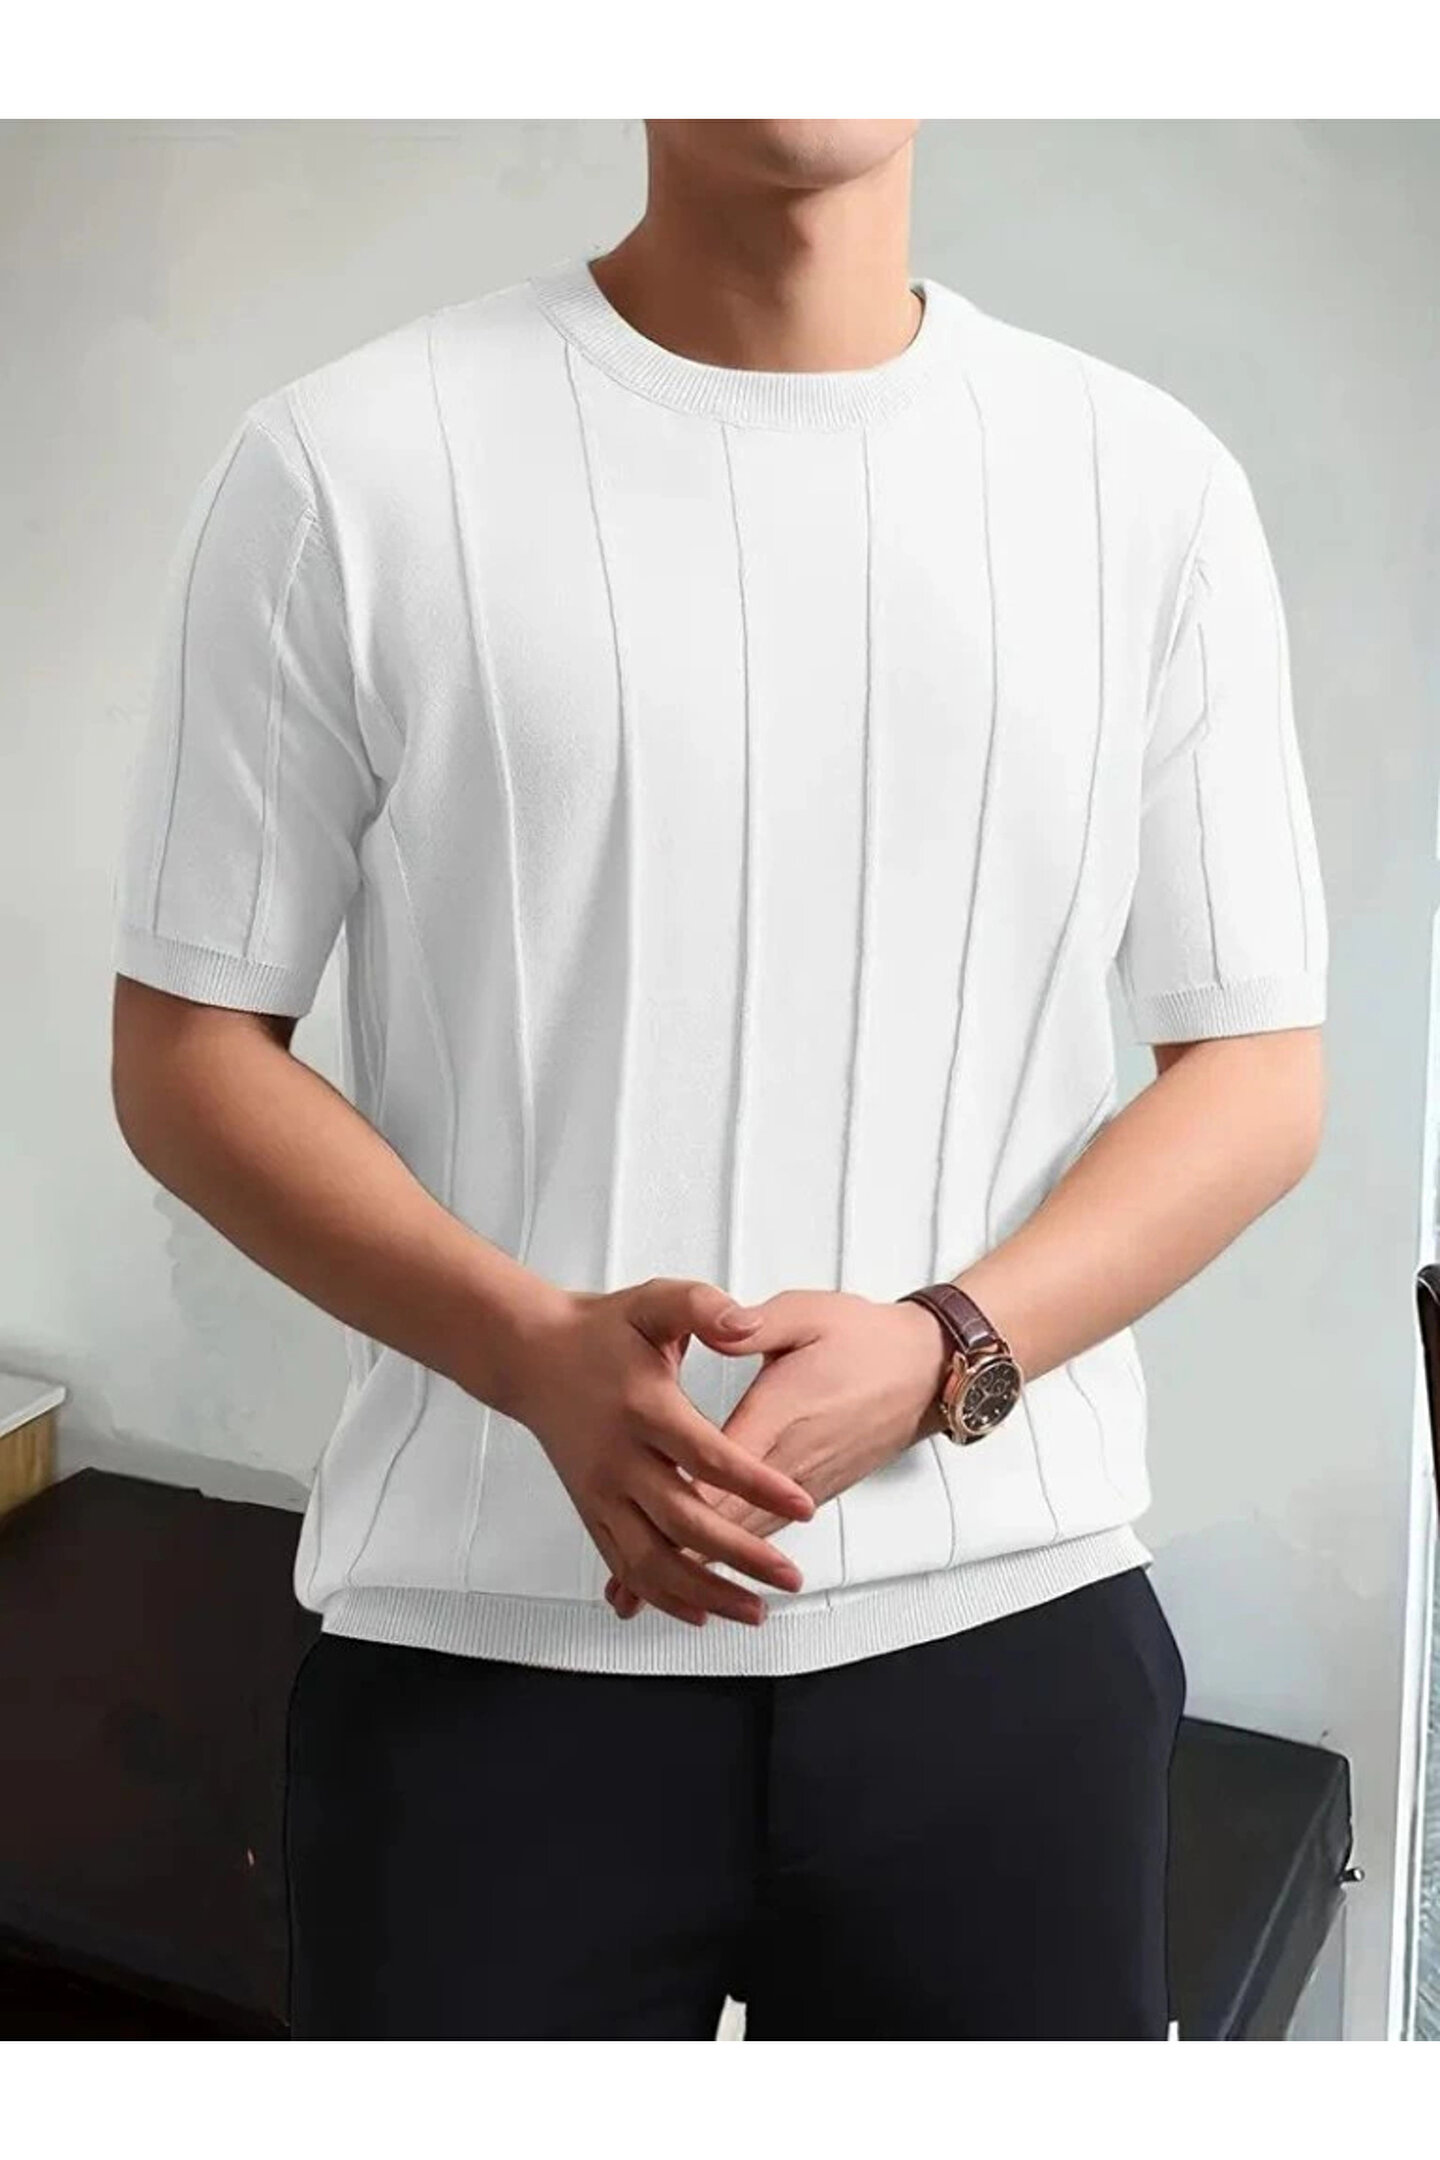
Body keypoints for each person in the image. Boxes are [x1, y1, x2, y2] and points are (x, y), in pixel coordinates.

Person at [110, 118, 1328, 2039]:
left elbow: (1256, 1062)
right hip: (484, 1662)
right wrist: (526, 1352)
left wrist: (949, 1347)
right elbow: (185, 1048)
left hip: (1007, 1653)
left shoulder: (1145, 486)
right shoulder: (346, 465)